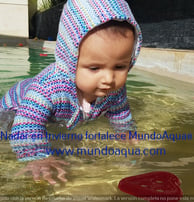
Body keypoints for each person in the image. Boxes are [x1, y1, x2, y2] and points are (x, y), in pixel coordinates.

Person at [0, 0, 142, 184]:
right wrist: (37, 156)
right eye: (94, 68)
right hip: (15, 107)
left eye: (120, 66)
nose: (109, 78)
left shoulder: (115, 89)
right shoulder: (49, 88)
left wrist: (127, 134)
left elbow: (120, 112)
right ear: (71, 59)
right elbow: (27, 122)